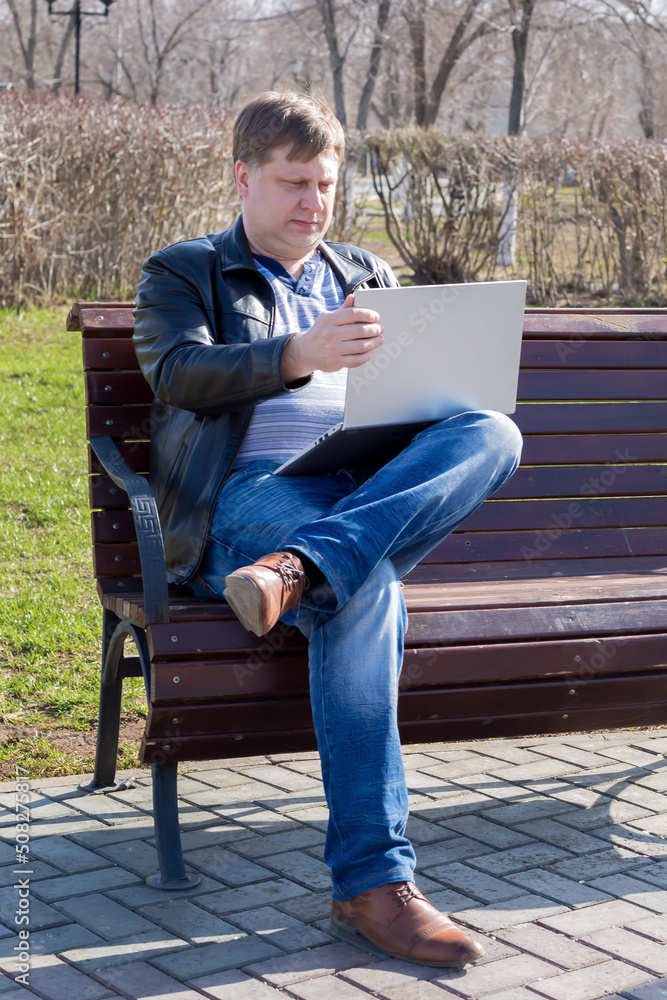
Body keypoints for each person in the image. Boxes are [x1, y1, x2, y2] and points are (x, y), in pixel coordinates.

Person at [133, 90, 523, 967]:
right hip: (250, 494)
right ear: (245, 178)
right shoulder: (183, 271)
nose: (313, 200)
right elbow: (175, 373)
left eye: (325, 183)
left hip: (358, 486)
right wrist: (295, 355)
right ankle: (372, 882)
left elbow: (420, 396)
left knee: (492, 430)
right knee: (367, 590)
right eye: (293, 181)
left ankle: (301, 567)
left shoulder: (362, 271)